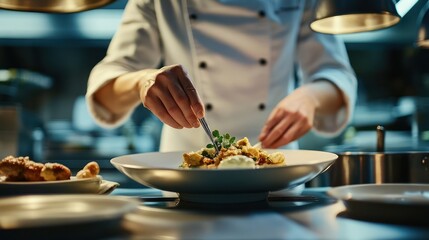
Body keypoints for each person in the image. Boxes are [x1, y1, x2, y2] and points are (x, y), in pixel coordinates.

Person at [86, 0, 357, 152]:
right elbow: (108, 87)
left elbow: (335, 73)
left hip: (277, 173)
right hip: (186, 172)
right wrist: (141, 82)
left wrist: (311, 97)